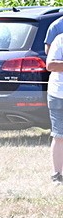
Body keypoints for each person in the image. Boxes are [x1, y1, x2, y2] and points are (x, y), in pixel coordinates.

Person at [46, 34, 63, 184]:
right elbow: (50, 65)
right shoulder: (60, 40)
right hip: (59, 95)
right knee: (59, 136)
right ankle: (57, 174)